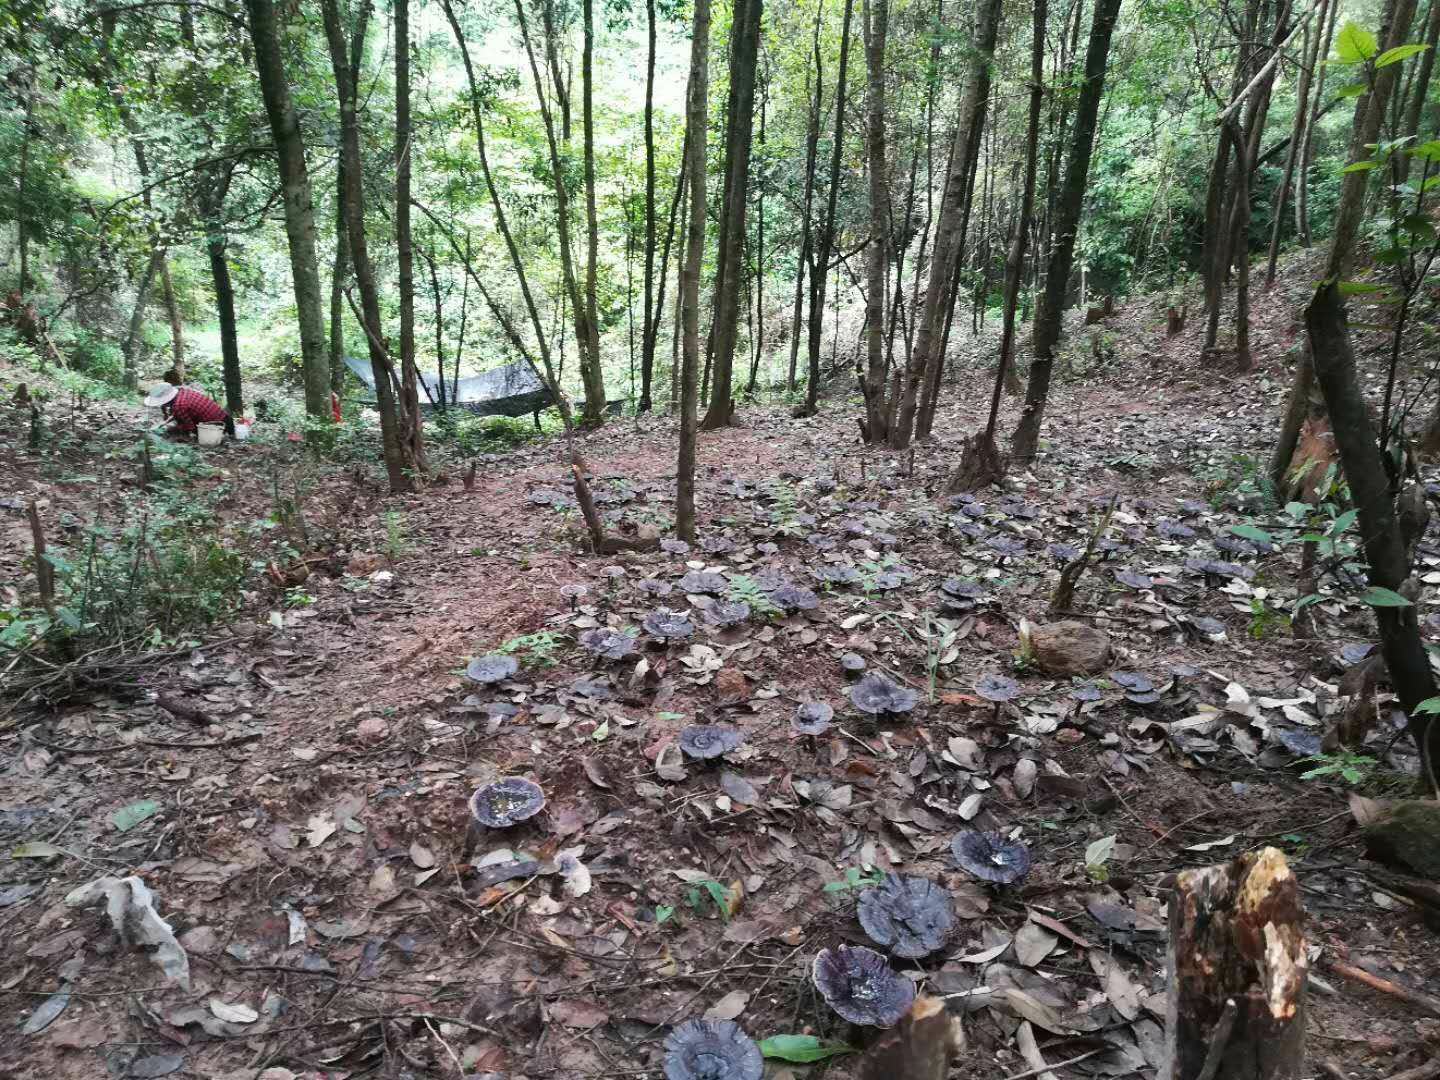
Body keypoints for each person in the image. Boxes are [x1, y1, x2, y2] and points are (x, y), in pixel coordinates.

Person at [144, 383, 235, 440]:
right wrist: (165, 422)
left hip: (216, 427)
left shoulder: (179, 406)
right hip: (225, 418)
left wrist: (172, 429)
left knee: (173, 430)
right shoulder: (182, 392)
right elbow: (180, 412)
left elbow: (190, 427)